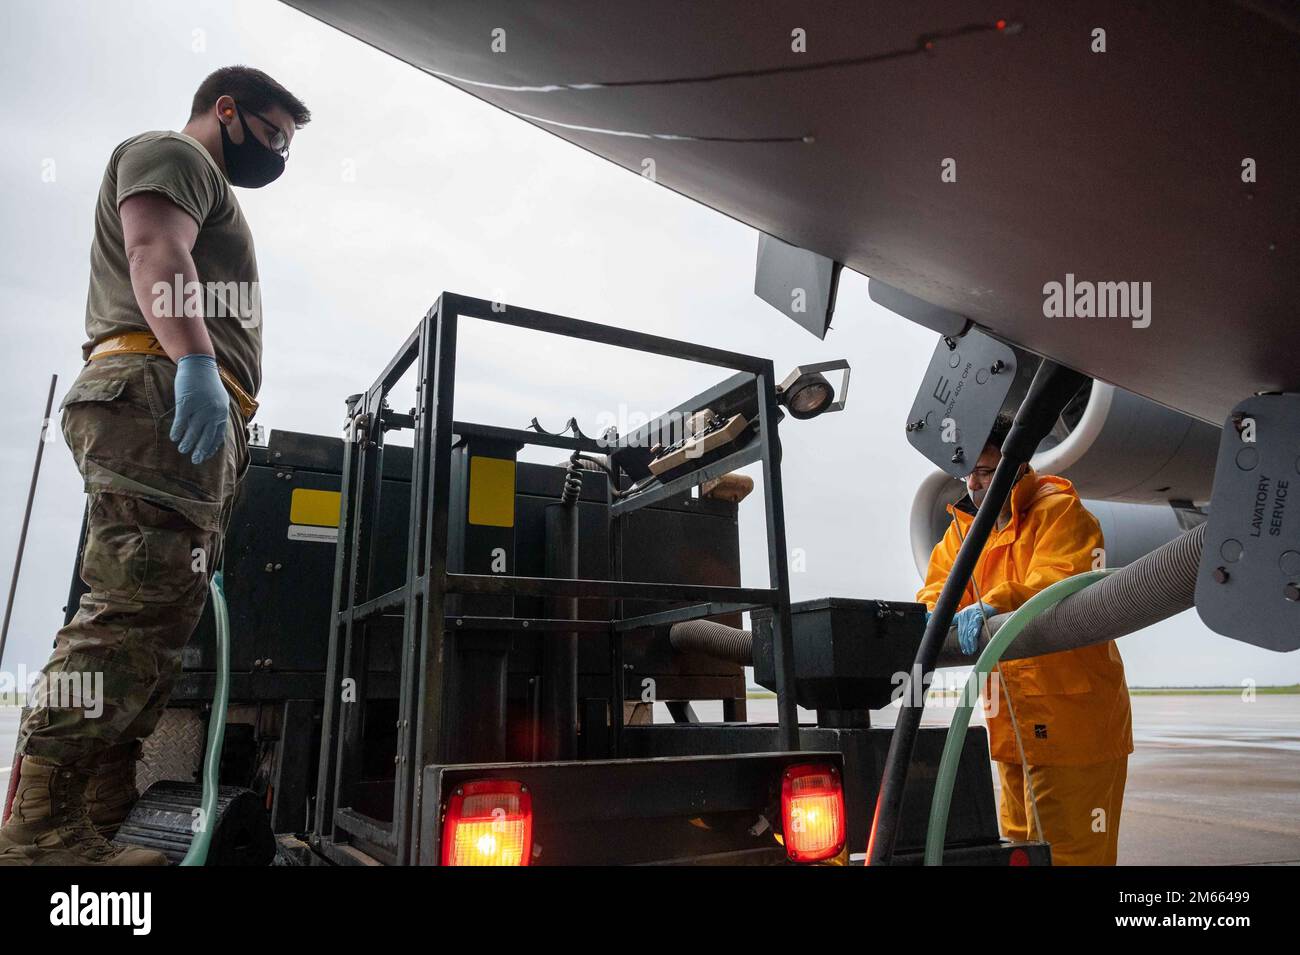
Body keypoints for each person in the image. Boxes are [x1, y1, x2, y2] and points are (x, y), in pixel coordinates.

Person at [0, 66, 309, 865]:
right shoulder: (176, 153)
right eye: (272, 133)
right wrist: (198, 363)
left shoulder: (208, 181)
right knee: (135, 607)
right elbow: (154, 249)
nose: (277, 153)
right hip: (161, 387)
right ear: (226, 110)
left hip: (177, 402)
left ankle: (97, 808)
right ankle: (39, 830)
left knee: (159, 612)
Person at [917, 414, 1132, 865]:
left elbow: (1060, 577)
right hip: (1012, 724)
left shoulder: (1059, 512)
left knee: (1073, 851)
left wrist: (997, 602)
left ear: (1015, 465)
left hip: (1074, 723)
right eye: (969, 474)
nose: (975, 485)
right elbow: (936, 588)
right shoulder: (963, 532)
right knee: (1020, 847)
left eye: (986, 471)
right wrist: (938, 613)